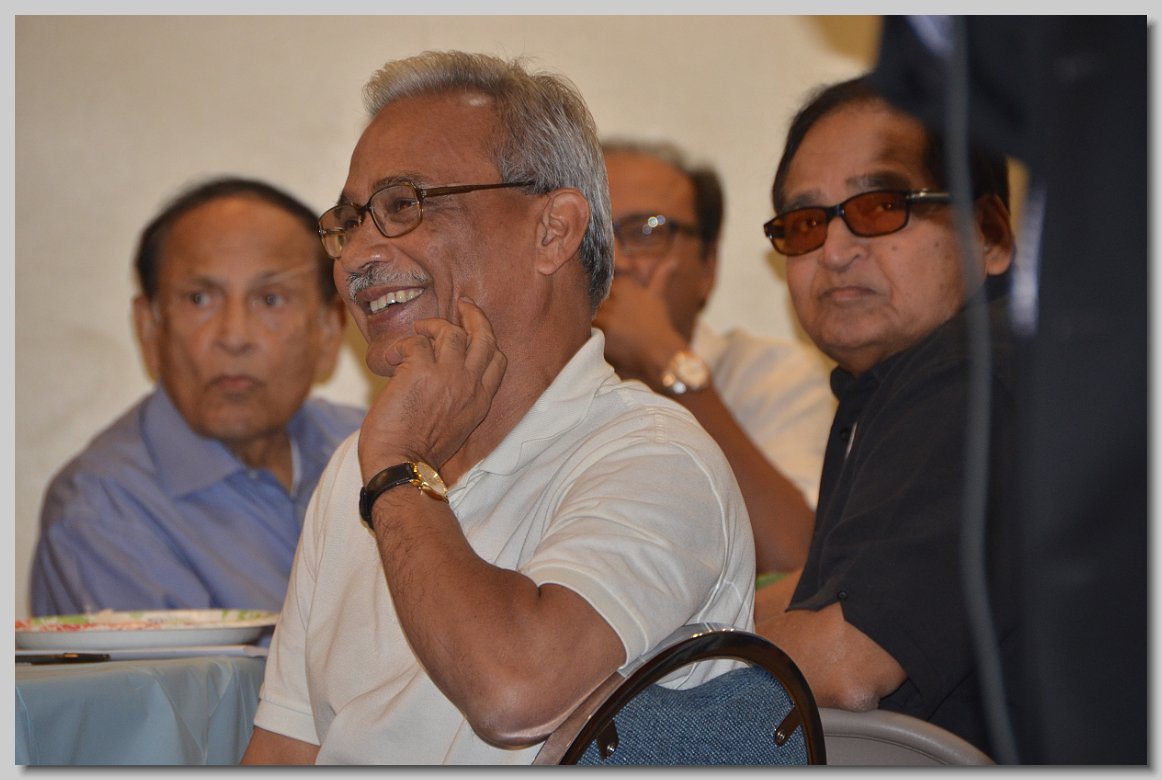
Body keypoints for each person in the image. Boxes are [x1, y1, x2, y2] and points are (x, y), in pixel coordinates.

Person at [241, 51, 754, 766]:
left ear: (554, 231)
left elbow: (515, 692)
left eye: (402, 205)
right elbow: (283, 753)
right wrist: (391, 466)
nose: (355, 256)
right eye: (349, 222)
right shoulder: (352, 472)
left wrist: (398, 471)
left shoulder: (655, 457)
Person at [753, 74, 1020, 757]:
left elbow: (849, 663)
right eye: (807, 223)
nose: (835, 251)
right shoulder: (890, 386)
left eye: (880, 207)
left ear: (991, 235)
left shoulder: (974, 372)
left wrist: (649, 676)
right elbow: (829, 598)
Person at [30, 177, 363, 616]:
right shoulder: (100, 509)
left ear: (329, 331)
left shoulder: (373, 452)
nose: (234, 336)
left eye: (270, 299)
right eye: (200, 298)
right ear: (150, 329)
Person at [597, 139, 835, 574]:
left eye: (646, 232)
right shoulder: (525, 386)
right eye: (591, 232)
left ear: (708, 268)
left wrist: (666, 360)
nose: (615, 261)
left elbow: (794, 561)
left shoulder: (771, 376)